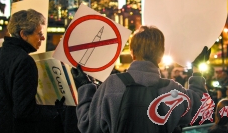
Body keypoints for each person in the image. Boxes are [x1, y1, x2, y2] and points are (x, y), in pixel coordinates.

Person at [72, 25, 210, 133]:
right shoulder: (171, 90)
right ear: (161, 56)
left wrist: (85, 86)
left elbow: (87, 126)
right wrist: (197, 71)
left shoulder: (112, 85)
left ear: (132, 53)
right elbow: (200, 107)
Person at [0, 9, 63, 133]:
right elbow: (24, 111)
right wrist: (54, 111)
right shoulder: (24, 61)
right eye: (39, 33)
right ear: (23, 34)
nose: (43, 38)